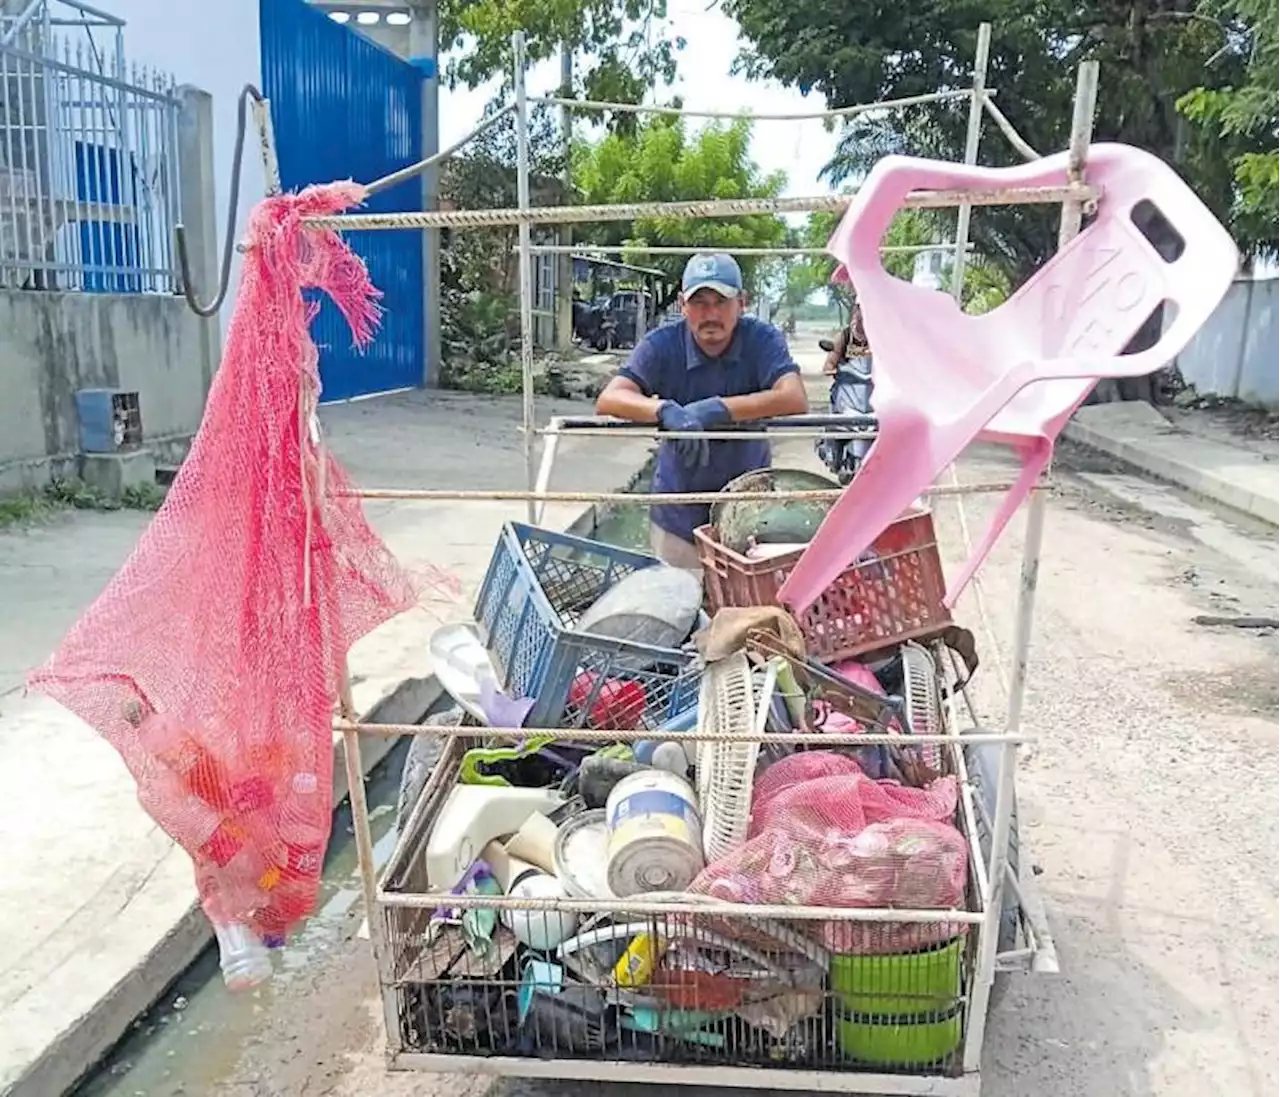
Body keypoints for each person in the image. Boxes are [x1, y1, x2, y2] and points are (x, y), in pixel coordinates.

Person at [596, 252, 809, 569]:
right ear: (682, 305)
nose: (711, 314)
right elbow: (611, 398)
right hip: (678, 508)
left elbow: (794, 397)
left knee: (746, 610)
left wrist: (719, 409)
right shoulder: (662, 344)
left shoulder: (761, 340)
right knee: (681, 603)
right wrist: (665, 410)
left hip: (747, 507)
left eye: (721, 302)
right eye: (699, 303)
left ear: (742, 302)